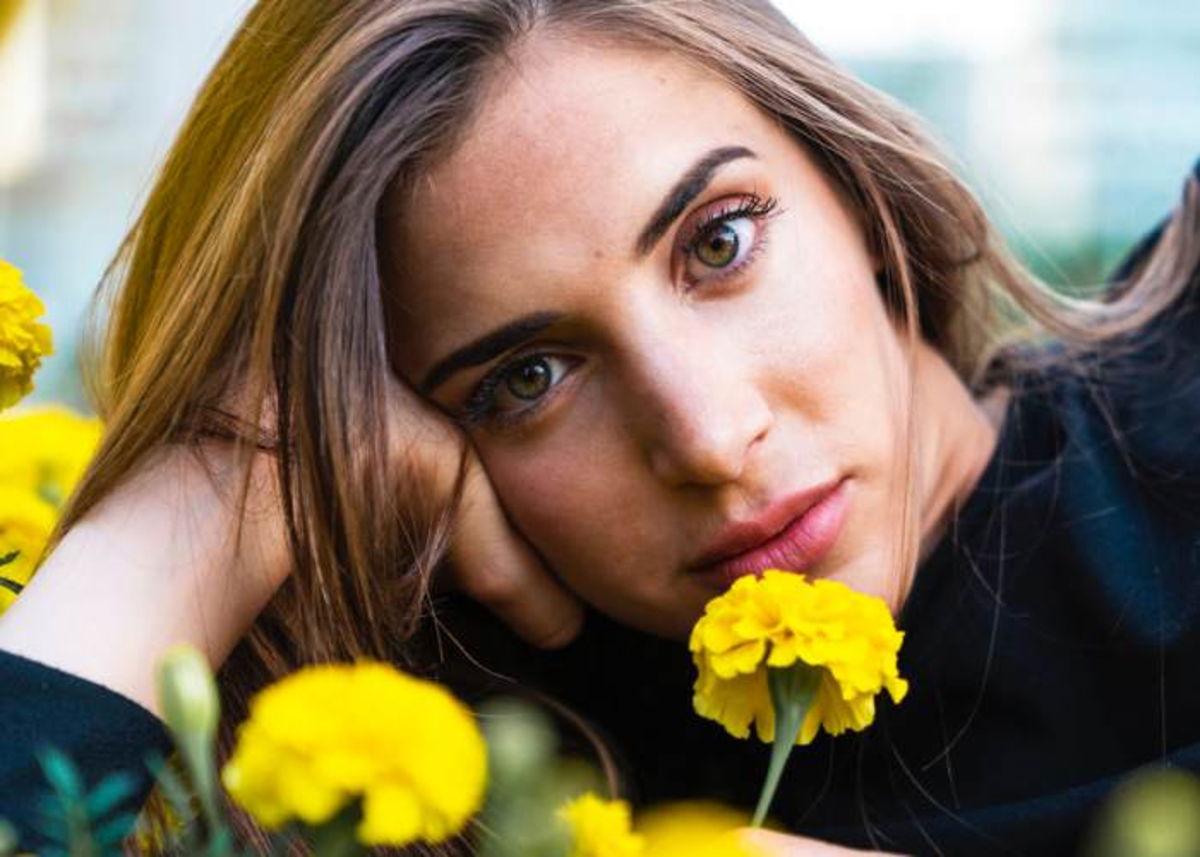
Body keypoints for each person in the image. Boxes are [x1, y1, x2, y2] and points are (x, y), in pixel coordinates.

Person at [0, 0, 1197, 854]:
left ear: (852, 173)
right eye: (525, 377)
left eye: (718, 240)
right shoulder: (481, 785)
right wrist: (204, 506)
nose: (710, 438)